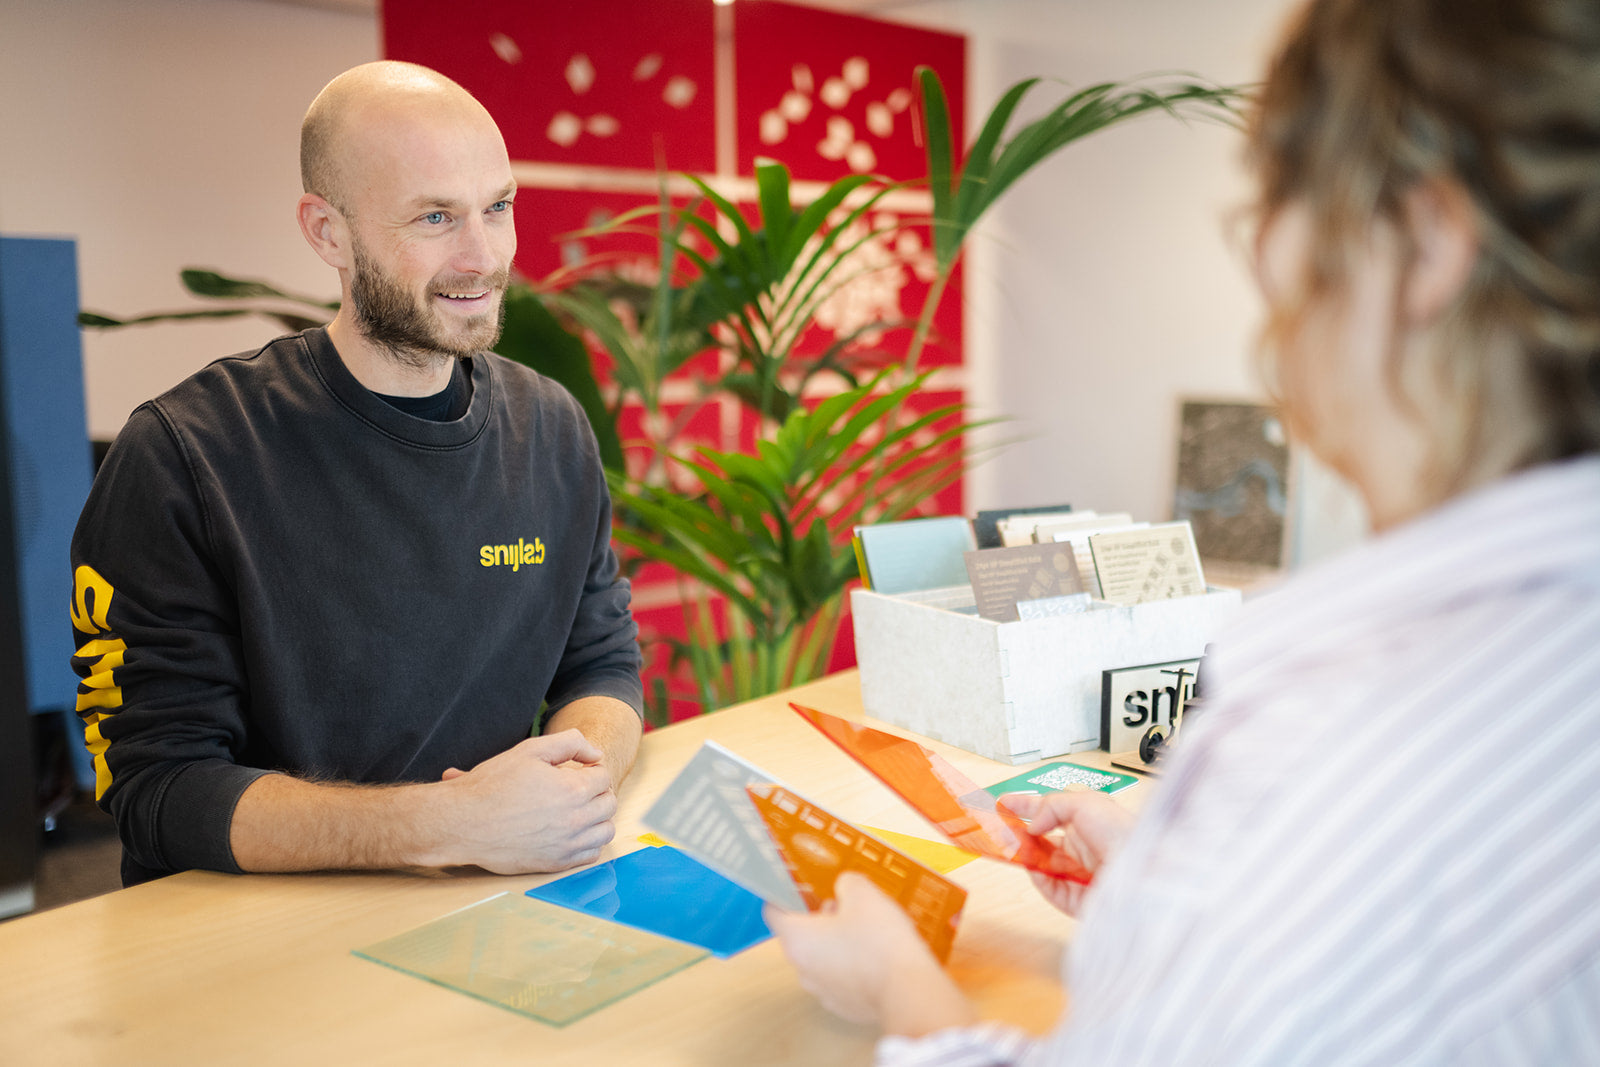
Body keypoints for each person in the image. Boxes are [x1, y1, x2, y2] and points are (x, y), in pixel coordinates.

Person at [767, 0, 1600, 1061]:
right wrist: (1188, 895)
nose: (1261, 270)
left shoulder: (1323, 744)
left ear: (1426, 241)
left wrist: (905, 990)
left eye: (1274, 204)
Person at [69, 61, 644, 887]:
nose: (482, 256)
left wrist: (577, 785)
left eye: (498, 207)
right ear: (327, 232)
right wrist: (446, 824)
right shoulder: (184, 455)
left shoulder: (552, 429)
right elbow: (156, 786)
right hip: (260, 944)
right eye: (436, 216)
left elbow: (602, 665)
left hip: (500, 899)